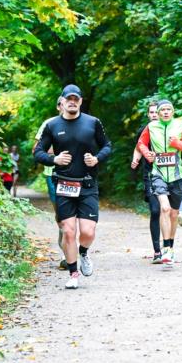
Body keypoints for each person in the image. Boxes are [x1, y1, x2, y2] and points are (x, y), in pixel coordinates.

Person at [33, 84, 112, 289]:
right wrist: (54, 159)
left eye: (76, 99)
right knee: (68, 232)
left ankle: (83, 252)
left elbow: (107, 146)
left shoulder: (93, 122)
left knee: (88, 232)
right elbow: (38, 152)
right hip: (64, 184)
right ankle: (73, 273)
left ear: (80, 102)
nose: (72, 102)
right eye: (69, 99)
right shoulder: (52, 125)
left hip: (87, 184)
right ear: (62, 101)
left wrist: (96, 159)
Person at [136, 98, 182, 266]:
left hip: (178, 176)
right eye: (162, 110)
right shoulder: (151, 127)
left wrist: (178, 144)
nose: (165, 112)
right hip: (158, 174)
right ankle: (165, 248)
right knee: (164, 208)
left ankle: (170, 247)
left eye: (168, 109)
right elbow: (141, 143)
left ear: (173, 111)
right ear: (158, 112)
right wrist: (147, 153)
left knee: (174, 214)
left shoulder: (181, 125)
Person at [34, 98, 68, 269]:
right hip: (53, 174)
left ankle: (72, 253)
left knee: (75, 215)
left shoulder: (84, 122)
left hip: (77, 175)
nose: (66, 105)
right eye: (63, 103)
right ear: (58, 107)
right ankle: (65, 251)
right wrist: (57, 153)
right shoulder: (49, 124)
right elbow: (36, 150)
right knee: (61, 215)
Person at [130, 100, 162, 263]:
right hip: (150, 175)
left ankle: (169, 248)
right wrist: (135, 159)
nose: (154, 115)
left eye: (157, 112)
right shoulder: (144, 130)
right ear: (148, 115)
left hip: (169, 176)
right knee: (155, 211)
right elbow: (138, 147)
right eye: (151, 112)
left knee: (168, 212)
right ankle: (157, 251)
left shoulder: (170, 129)